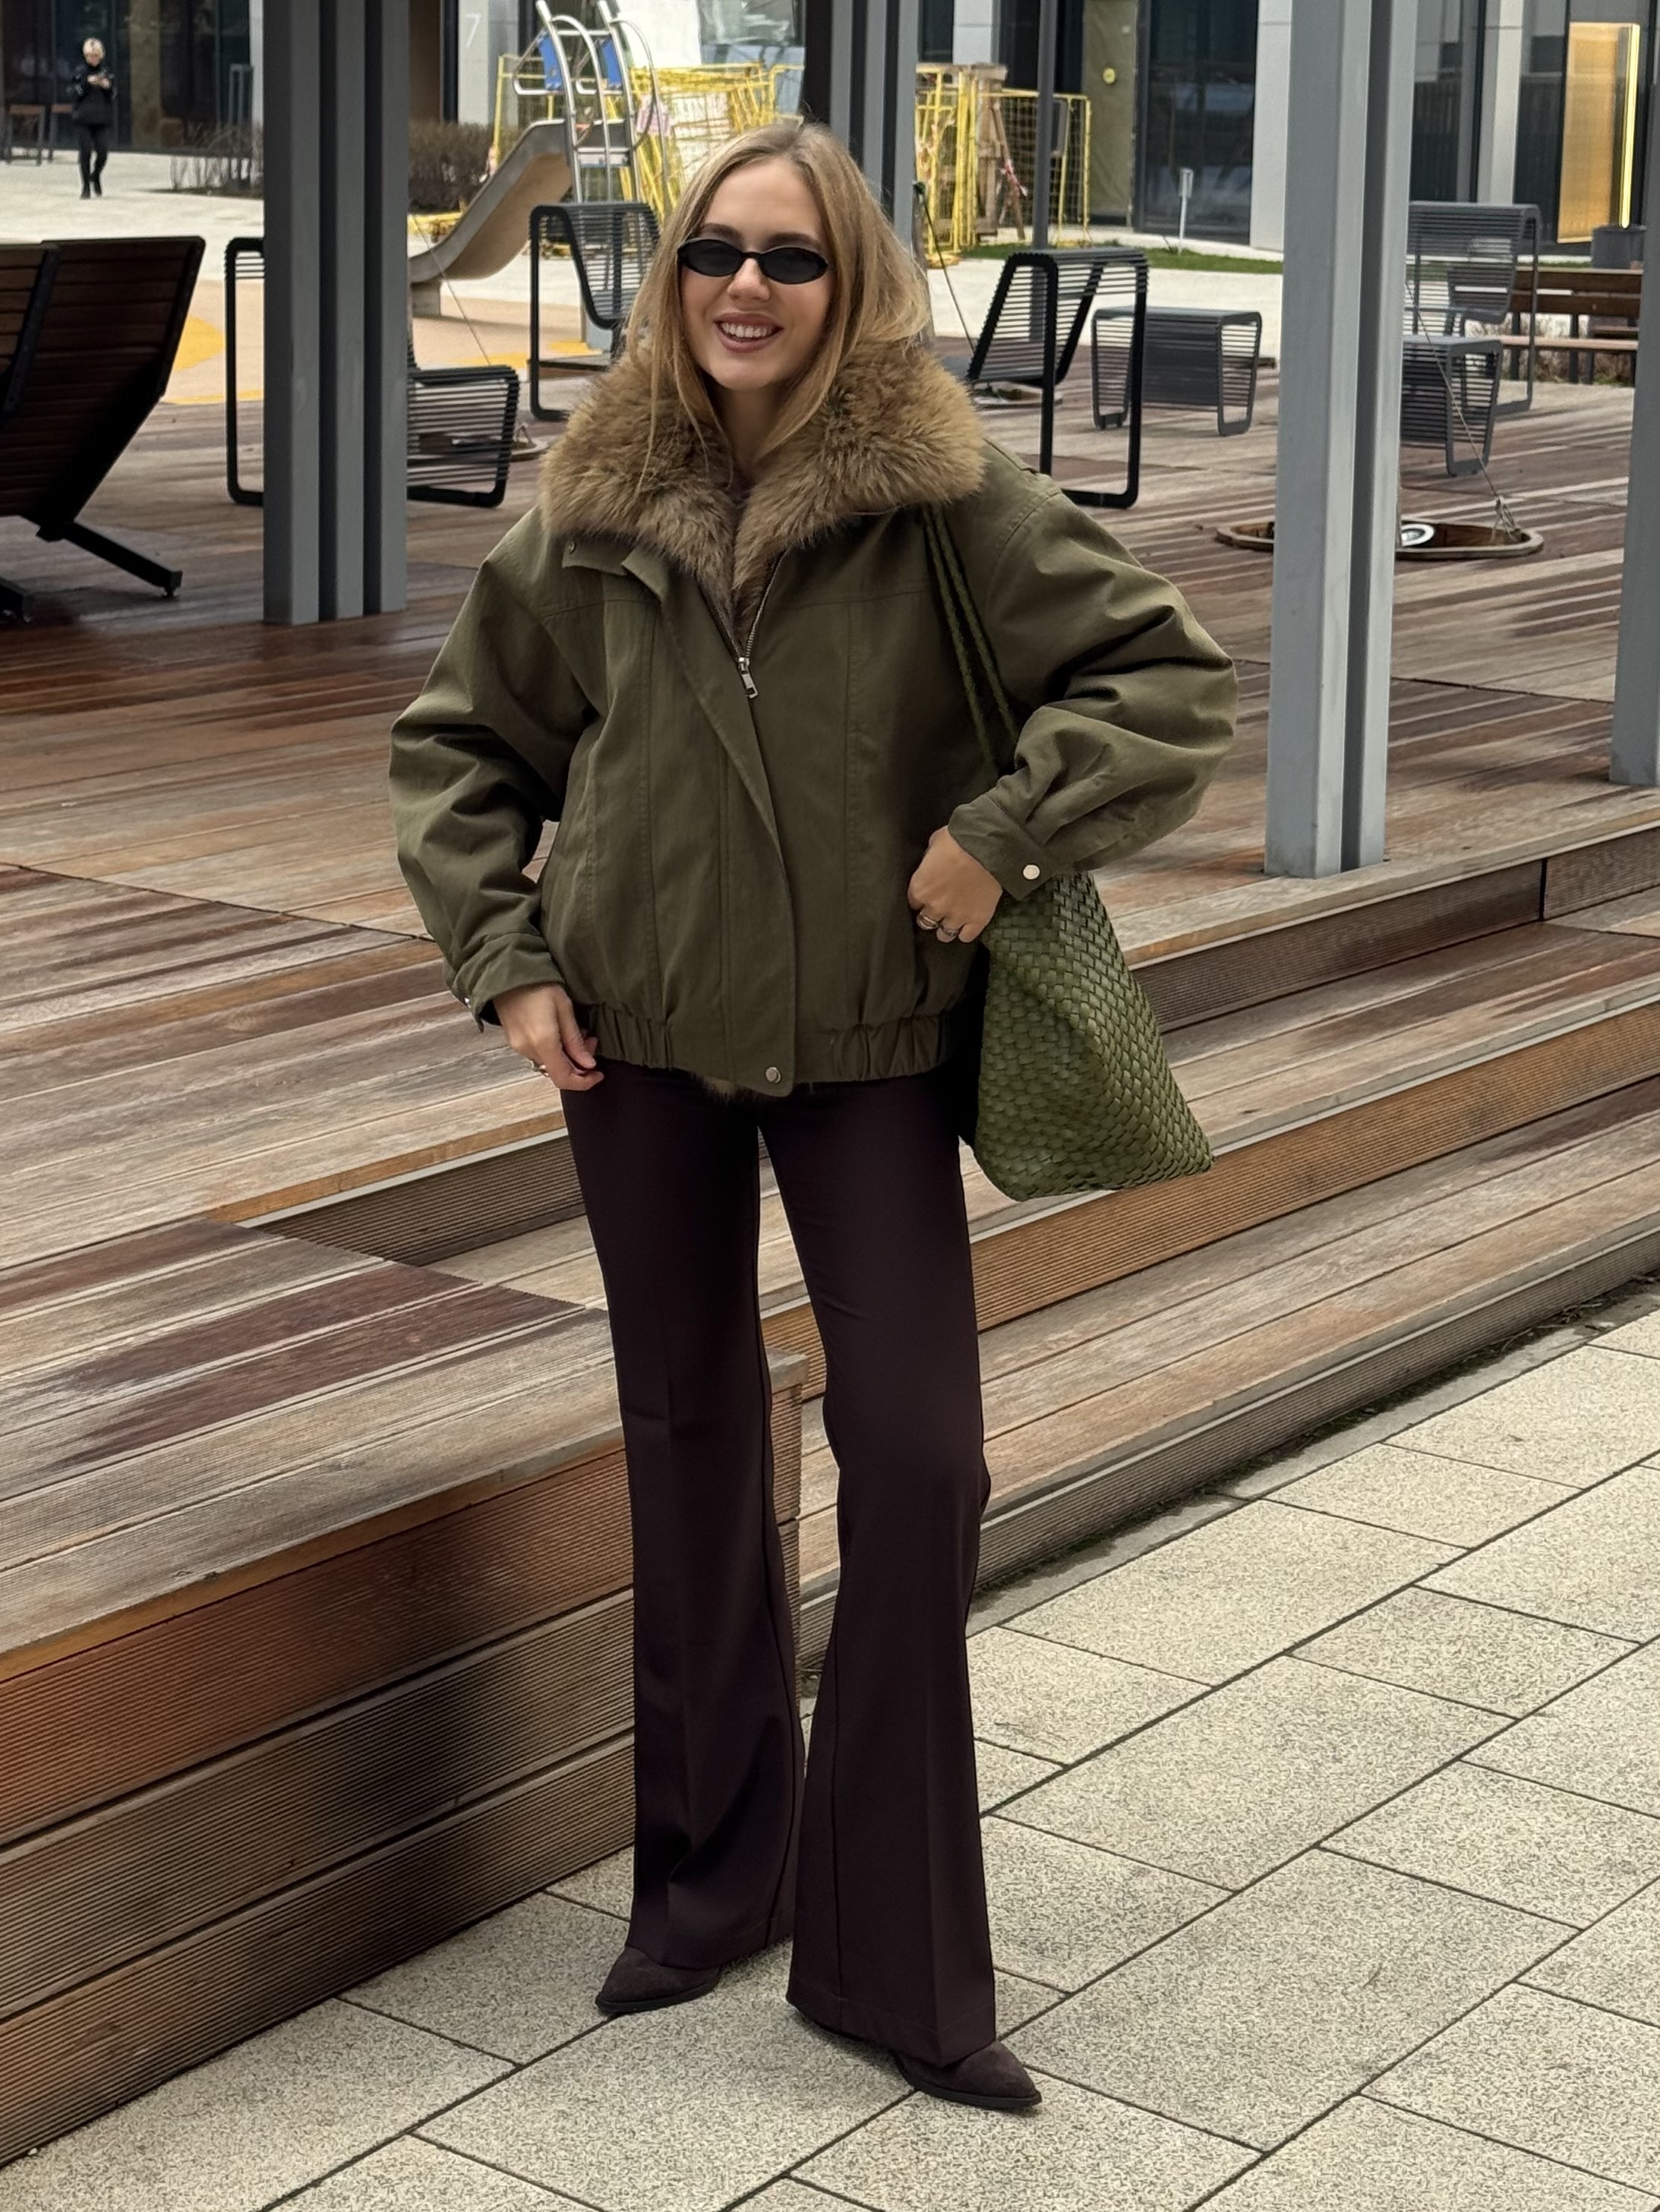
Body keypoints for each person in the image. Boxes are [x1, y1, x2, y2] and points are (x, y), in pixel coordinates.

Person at [389, 118, 1235, 2113]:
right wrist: (507, 956)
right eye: (713, 253)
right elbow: (461, 747)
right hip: (635, 1041)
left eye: (788, 257)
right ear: (672, 276)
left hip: (869, 1045)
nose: (745, 288)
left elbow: (1163, 678)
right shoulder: (594, 502)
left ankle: (895, 1958)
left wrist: (999, 835)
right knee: (687, 1438)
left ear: (851, 283)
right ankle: (707, 1886)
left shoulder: (946, 497)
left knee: (921, 1460)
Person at [70, 37, 115, 198]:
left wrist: (107, 86)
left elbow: (113, 95)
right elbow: (74, 93)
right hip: (84, 118)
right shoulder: (80, 72)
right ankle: (85, 187)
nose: (93, 59)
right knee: (85, 153)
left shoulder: (106, 72)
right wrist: (87, 83)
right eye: (90, 56)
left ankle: (95, 176)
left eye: (96, 56)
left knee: (103, 153)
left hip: (101, 119)